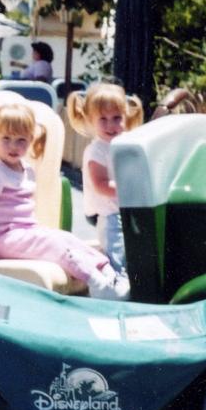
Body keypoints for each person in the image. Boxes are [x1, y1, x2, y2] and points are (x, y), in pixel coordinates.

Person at [0, 101, 129, 300]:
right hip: (3, 238)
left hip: (24, 232)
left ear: (30, 140)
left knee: (66, 238)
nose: (13, 146)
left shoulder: (26, 169)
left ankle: (108, 273)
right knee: (53, 243)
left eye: (21, 140)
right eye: (6, 139)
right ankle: (96, 283)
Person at [65, 82, 144, 274]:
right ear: (90, 120)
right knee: (116, 256)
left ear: (127, 116)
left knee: (132, 253)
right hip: (109, 214)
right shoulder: (97, 151)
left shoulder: (124, 144)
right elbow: (100, 185)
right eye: (103, 119)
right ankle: (114, 286)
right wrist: (130, 187)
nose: (111, 125)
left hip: (124, 210)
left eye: (117, 118)